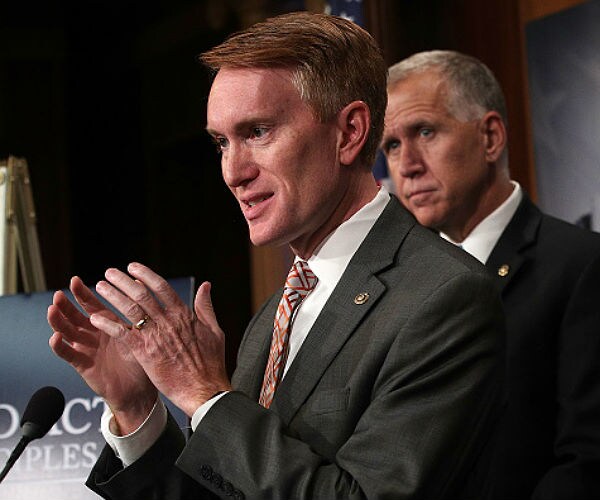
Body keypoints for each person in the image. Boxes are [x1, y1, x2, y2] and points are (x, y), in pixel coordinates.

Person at [48, 15, 505, 499]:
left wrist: (206, 395)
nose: (233, 172)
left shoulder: (444, 298)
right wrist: (138, 410)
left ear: (349, 133)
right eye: (222, 142)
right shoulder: (275, 314)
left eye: (258, 132)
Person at [383, 49, 600, 500]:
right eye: (392, 146)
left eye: (425, 131)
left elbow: (588, 460)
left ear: (491, 137)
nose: (407, 165)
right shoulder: (397, 289)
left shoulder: (581, 265)